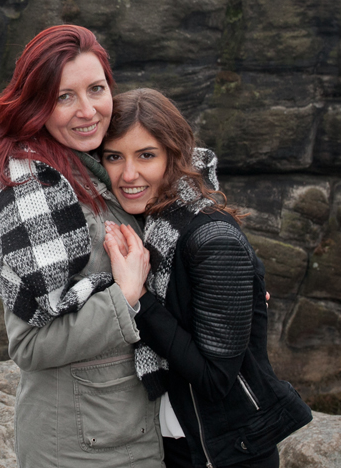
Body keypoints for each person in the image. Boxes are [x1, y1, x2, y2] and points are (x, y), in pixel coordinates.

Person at [0, 25, 163, 467]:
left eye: (96, 89)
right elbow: (31, 345)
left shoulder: (96, 161)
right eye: (64, 97)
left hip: (119, 429)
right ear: (37, 103)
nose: (87, 111)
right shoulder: (30, 183)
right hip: (81, 447)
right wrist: (124, 296)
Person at [100, 89, 312, 468]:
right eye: (114, 157)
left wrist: (139, 298)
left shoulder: (212, 240)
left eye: (146, 155)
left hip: (228, 454)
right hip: (168, 446)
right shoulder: (146, 227)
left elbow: (215, 379)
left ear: (174, 156)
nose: (128, 174)